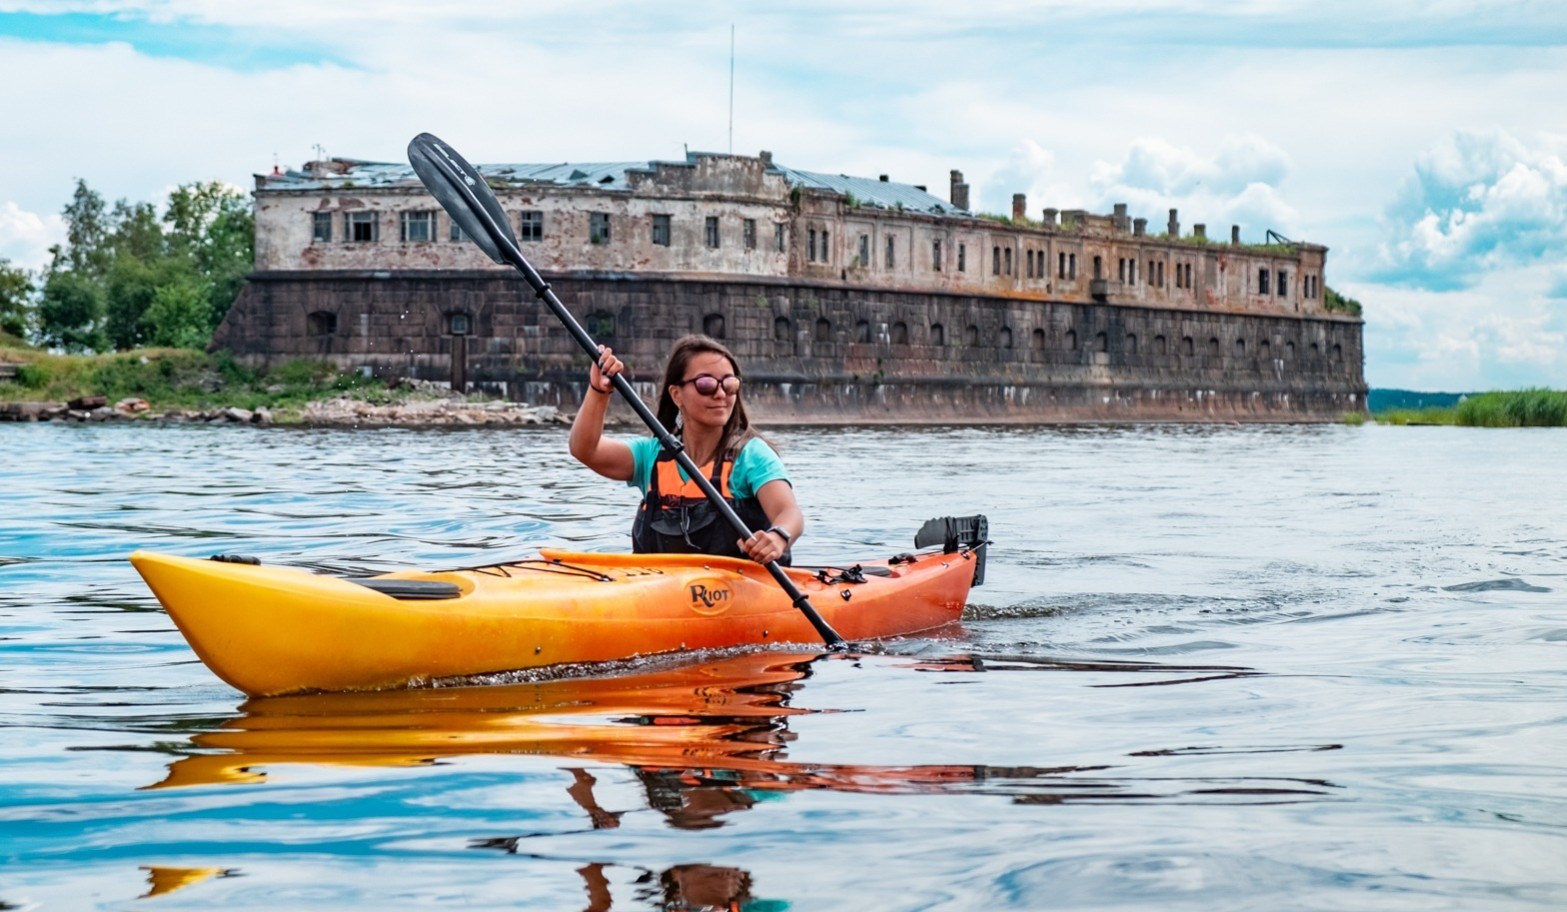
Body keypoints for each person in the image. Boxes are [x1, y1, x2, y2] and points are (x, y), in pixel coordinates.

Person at [568, 333, 801, 565]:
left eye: (730, 384)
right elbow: (585, 450)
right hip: (662, 588)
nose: (720, 394)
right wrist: (599, 391)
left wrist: (778, 536)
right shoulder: (651, 455)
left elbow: (789, 513)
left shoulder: (751, 455)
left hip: (740, 590)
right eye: (706, 384)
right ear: (676, 394)